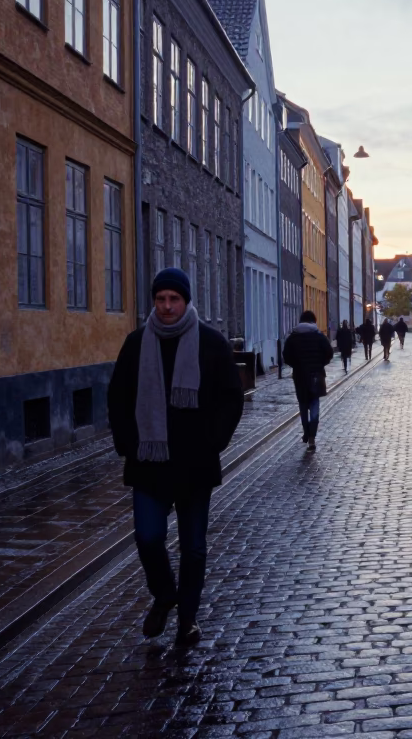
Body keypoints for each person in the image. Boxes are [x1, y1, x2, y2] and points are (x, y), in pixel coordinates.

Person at [107, 268, 243, 647]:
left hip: (194, 464)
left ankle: (187, 619)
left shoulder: (211, 343)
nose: (166, 306)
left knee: (194, 547)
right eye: (161, 299)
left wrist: (213, 442)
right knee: (148, 538)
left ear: (186, 301)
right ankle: (165, 595)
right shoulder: (136, 344)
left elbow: (231, 398)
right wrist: (128, 444)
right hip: (149, 464)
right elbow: (118, 397)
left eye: (174, 299)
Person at [283, 310, 334, 452]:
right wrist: (320, 364)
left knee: (303, 405)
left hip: (300, 376)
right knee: (314, 404)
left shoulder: (293, 337)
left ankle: (306, 432)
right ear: (313, 321)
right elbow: (329, 352)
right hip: (316, 375)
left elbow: (286, 356)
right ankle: (312, 437)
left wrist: (296, 365)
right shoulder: (319, 336)